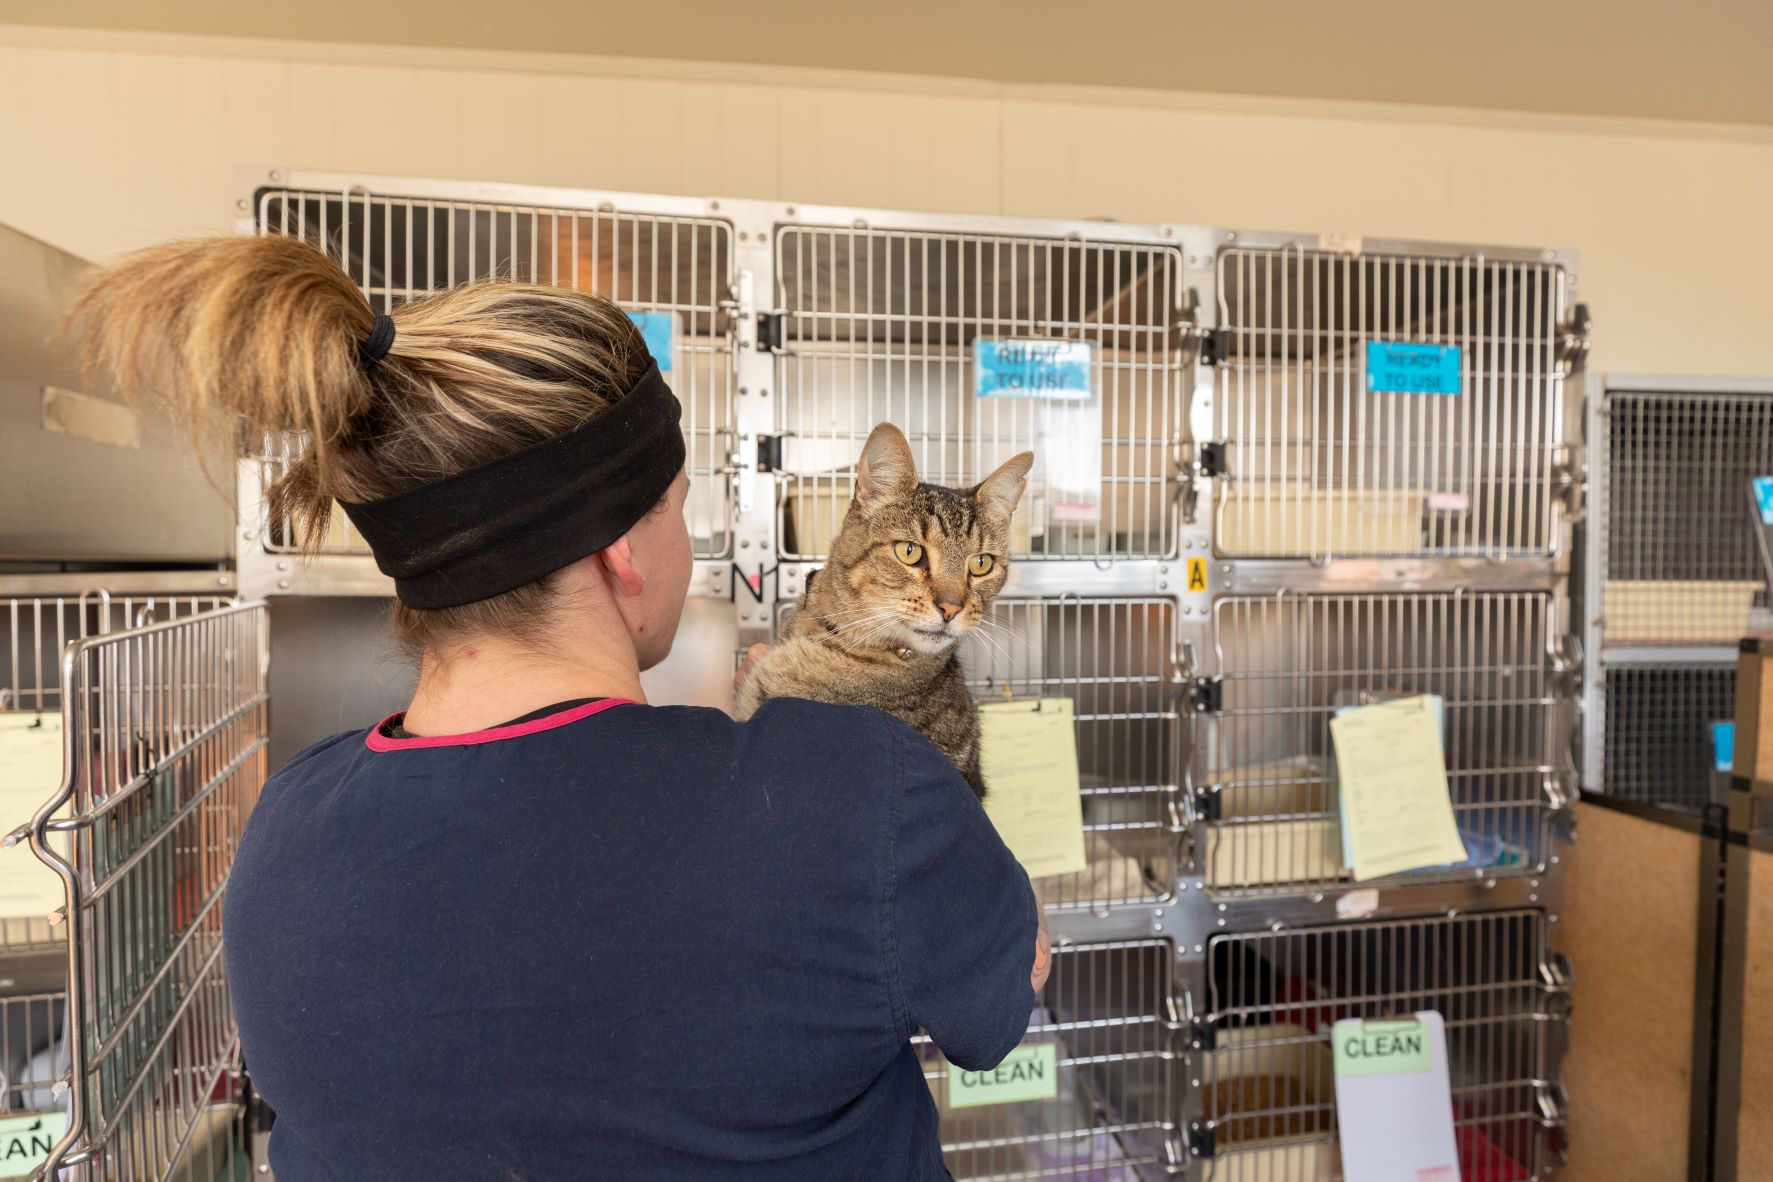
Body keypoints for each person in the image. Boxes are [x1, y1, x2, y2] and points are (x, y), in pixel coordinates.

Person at [70, 236, 1049, 1180]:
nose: (695, 547)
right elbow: (1000, 1001)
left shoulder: (283, 829)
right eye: (679, 508)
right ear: (623, 544)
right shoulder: (859, 783)